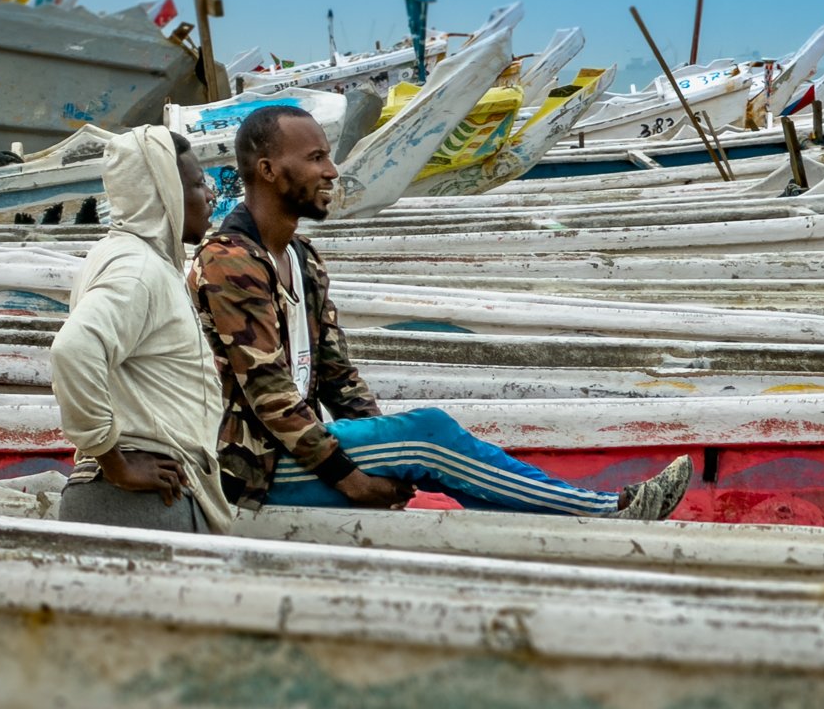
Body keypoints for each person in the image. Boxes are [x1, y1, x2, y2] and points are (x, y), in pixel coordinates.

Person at [189, 103, 691, 518]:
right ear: (269, 169)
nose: (331, 170)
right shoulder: (229, 260)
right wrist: (352, 479)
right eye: (316, 157)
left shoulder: (303, 260)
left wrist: (387, 465)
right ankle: (603, 512)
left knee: (427, 450)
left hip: (299, 454)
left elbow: (339, 378)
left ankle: (580, 521)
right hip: (256, 469)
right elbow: (269, 394)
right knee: (430, 432)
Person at [50, 126, 232, 533]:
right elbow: (73, 350)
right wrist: (116, 463)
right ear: (163, 191)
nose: (210, 196)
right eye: (198, 183)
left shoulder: (121, 255)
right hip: (143, 502)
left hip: (129, 500)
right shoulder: (139, 269)